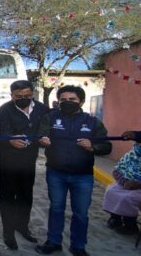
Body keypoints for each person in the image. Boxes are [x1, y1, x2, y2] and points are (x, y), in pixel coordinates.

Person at [36, 85, 112, 256]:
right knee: (56, 208)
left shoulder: (92, 121)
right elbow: (40, 135)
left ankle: (78, 245)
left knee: (81, 213)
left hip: (83, 176)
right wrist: (42, 140)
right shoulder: (50, 118)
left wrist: (93, 146)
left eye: (72, 100)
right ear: (58, 101)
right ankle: (54, 241)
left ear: (81, 101)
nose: (67, 102)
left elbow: (107, 146)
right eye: (63, 100)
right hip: (56, 172)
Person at [0, 80, 49, 250]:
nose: (23, 98)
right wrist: (10, 140)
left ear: (32, 93)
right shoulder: (4, 110)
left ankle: (22, 226)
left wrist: (43, 138)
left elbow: (46, 129)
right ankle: (8, 232)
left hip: (29, 161)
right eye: (18, 96)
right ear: (12, 96)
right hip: (8, 162)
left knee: (26, 196)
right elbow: (0, 132)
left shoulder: (41, 109)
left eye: (27, 95)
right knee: (7, 198)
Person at [103, 139, 141, 235]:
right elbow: (117, 171)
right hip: (125, 184)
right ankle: (115, 219)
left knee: (127, 198)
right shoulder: (131, 155)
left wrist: (138, 184)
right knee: (111, 191)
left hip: (139, 188)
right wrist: (124, 182)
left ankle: (130, 225)